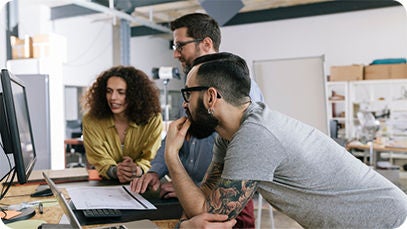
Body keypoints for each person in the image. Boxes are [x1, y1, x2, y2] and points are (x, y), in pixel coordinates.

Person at [164, 52, 407, 229]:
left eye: (188, 93)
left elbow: (209, 213)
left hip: (387, 221)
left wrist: (172, 157)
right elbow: (204, 202)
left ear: (211, 97)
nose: (184, 103)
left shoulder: (255, 135)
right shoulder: (229, 136)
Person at [130, 13, 261, 228]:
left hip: (226, 201)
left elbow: (241, 166)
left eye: (180, 46)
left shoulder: (241, 91)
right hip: (193, 196)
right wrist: (157, 171)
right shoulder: (196, 88)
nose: (175, 54)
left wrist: (188, 186)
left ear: (206, 43)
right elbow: (180, 133)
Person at [82, 65, 163, 183]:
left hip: (145, 183)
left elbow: (152, 157)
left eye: (121, 92)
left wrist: (137, 170)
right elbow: (99, 159)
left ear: (134, 95)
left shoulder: (153, 119)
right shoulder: (91, 121)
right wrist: (116, 171)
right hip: (106, 185)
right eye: (109, 91)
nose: (113, 98)